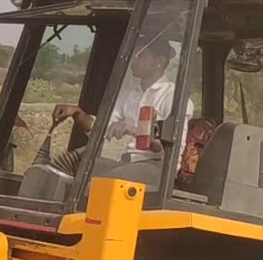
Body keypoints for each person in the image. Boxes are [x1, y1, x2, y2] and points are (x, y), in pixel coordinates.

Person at [47, 38, 191, 179]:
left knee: (106, 180)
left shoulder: (174, 99)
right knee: (78, 165)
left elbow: (167, 150)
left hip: (158, 169)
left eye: (140, 56)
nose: (133, 61)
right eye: (133, 55)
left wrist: (133, 130)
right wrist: (77, 112)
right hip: (128, 163)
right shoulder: (130, 94)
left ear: (159, 62)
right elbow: (102, 130)